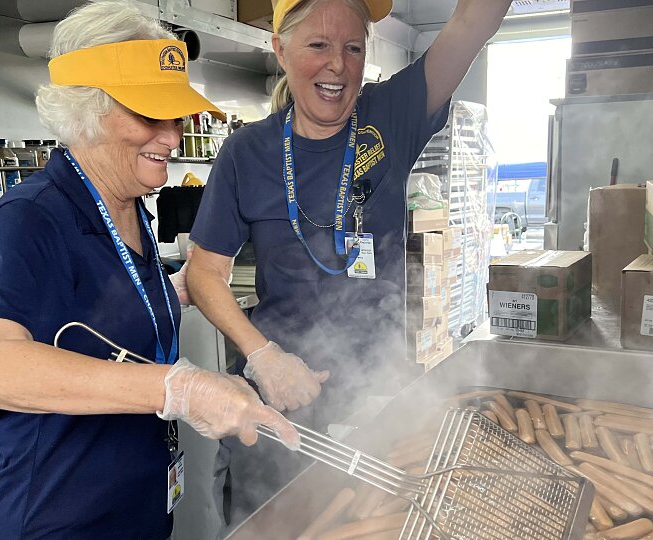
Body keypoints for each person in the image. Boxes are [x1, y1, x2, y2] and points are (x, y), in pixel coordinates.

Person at [0, 2, 298, 538]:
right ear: (86, 111)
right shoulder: (35, 213)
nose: (172, 136)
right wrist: (180, 390)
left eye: (176, 115)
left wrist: (181, 292)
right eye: (148, 115)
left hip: (136, 510)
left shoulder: (130, 204)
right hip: (57, 519)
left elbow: (101, 306)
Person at [186, 0, 514, 529]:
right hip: (278, 399)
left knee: (379, 524)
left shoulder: (391, 114)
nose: (337, 64)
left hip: (378, 390)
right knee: (272, 525)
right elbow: (204, 272)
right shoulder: (247, 153)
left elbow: (472, 23)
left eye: (353, 47)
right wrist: (263, 356)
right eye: (317, 45)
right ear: (281, 50)